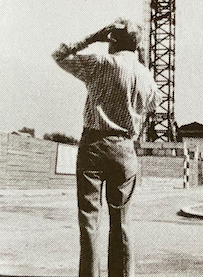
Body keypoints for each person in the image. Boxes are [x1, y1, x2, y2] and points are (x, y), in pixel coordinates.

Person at [52, 18, 161, 277]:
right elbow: (154, 105)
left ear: (110, 40)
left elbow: (59, 55)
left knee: (89, 221)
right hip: (125, 148)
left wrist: (91, 37)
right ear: (137, 46)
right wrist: (139, 59)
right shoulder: (146, 77)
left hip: (93, 144)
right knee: (121, 222)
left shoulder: (99, 63)